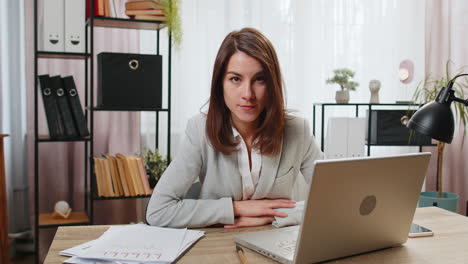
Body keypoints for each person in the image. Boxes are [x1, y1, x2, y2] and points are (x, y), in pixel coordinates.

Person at [146, 27, 323, 229]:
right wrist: (236, 209)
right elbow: (158, 211)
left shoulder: (297, 130)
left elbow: (335, 200)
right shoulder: (199, 130)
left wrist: (275, 215)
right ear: (220, 84)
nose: (248, 93)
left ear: (272, 84)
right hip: (217, 245)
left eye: (259, 79)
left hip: (274, 243)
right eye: (235, 79)